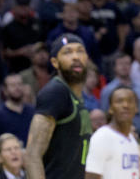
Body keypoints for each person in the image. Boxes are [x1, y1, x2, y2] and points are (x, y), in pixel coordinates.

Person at [25, 34, 93, 179]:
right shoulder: (56, 92)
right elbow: (32, 155)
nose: (76, 57)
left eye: (80, 51)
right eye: (67, 52)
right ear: (55, 62)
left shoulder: (78, 97)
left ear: (87, 58)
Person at [85, 86, 140, 179]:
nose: (125, 105)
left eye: (130, 101)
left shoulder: (132, 139)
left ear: (136, 108)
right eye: (119, 101)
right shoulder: (102, 137)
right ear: (110, 108)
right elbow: (91, 176)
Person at [0, 74, 34, 143]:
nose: (17, 88)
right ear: (5, 90)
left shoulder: (32, 111)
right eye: (13, 85)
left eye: (19, 84)